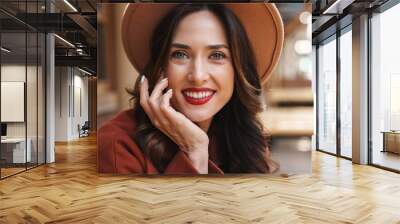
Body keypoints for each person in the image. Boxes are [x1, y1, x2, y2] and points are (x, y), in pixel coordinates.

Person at [98, 3, 284, 174]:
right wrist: (195, 151)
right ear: (160, 67)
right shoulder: (117, 143)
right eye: (180, 54)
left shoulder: (246, 138)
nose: (197, 76)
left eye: (217, 55)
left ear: (238, 68)